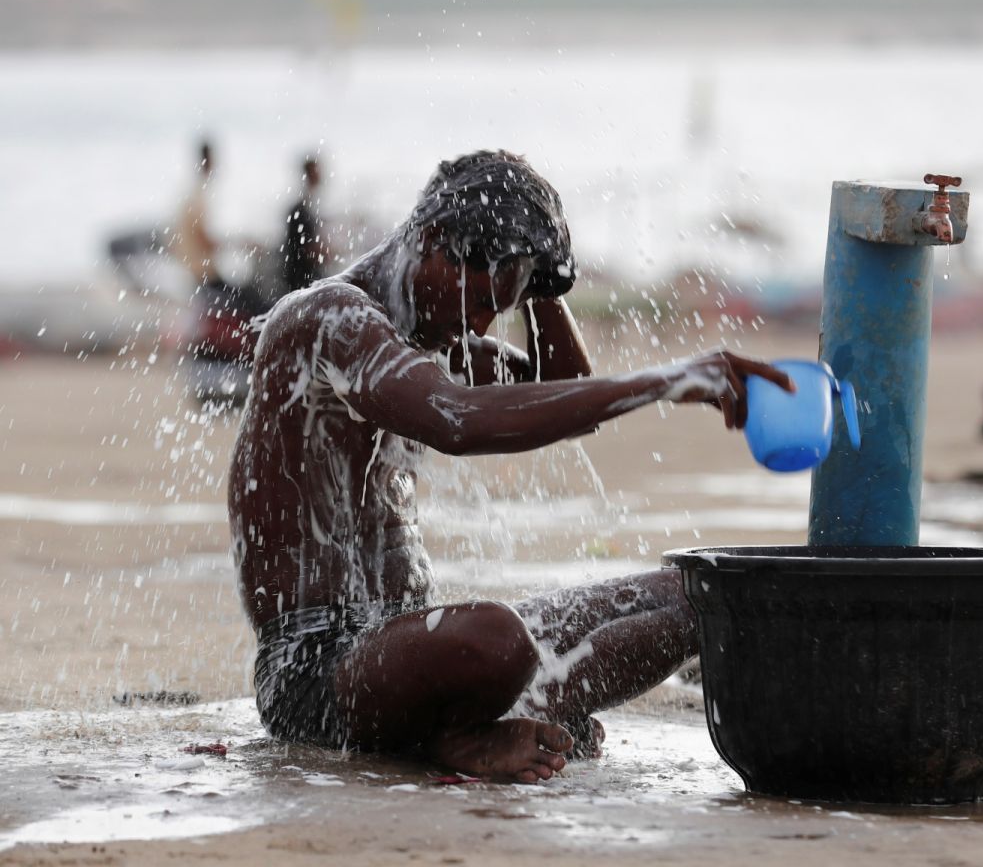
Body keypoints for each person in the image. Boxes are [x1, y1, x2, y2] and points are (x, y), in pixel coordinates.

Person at [228, 150, 794, 783]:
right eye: (480, 298)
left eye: (502, 306)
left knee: (698, 595)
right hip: (320, 677)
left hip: (415, 656)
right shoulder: (327, 319)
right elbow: (458, 420)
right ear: (432, 240)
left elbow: (563, 389)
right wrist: (666, 378)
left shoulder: (430, 335)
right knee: (496, 636)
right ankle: (456, 737)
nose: (479, 324)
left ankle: (497, 713)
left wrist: (545, 281)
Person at [172, 140, 223, 287]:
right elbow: (203, 239)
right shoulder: (199, 196)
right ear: (210, 161)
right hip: (201, 274)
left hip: (191, 272)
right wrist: (236, 245)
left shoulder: (190, 192)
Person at [281, 155, 331, 293]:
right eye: (317, 171)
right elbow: (307, 250)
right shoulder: (301, 210)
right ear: (310, 175)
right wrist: (330, 252)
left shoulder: (308, 208)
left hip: (303, 277)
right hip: (302, 279)